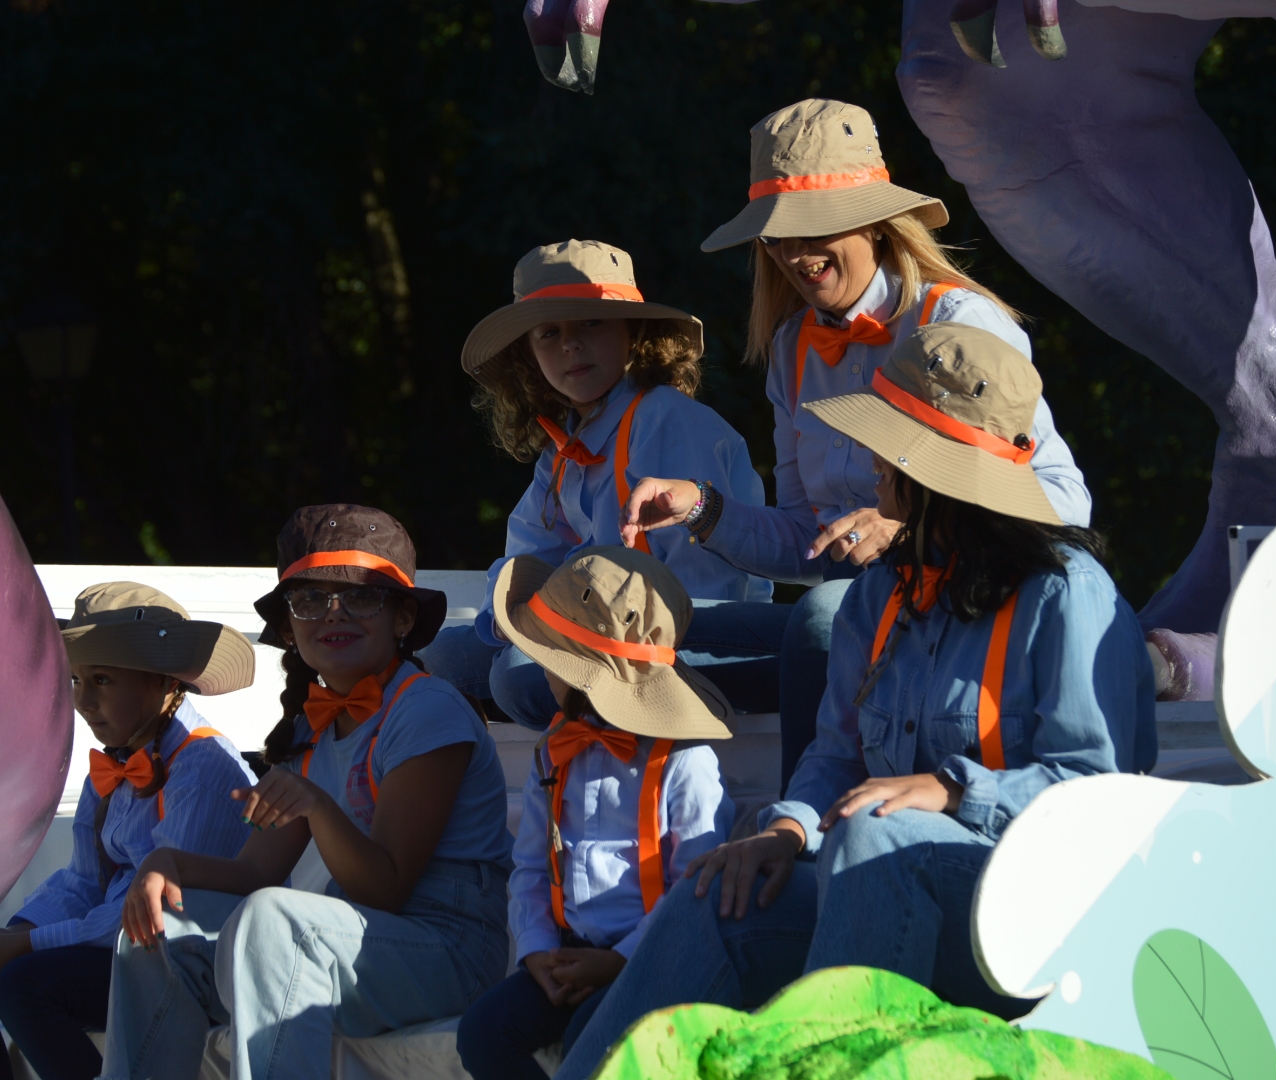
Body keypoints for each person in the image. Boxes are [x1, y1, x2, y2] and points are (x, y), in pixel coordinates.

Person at [556, 323, 1155, 1080]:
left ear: (931, 474)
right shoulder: (877, 596)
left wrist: (950, 790)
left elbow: (1097, 798)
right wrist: (784, 829)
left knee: (876, 833)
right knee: (717, 890)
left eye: (889, 447)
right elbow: (836, 755)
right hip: (884, 888)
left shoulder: (1069, 595)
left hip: (1044, 917)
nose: (870, 463)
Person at [620, 99, 1092, 789]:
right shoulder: (790, 349)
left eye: (818, 227)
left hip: (964, 602)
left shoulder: (958, 320)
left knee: (816, 622)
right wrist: (703, 509)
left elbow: (1065, 501)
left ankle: (799, 833)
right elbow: (810, 540)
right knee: (627, 620)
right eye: (777, 235)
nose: (794, 253)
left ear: (877, 220)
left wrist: (915, 527)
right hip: (857, 610)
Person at [99, 505, 513, 1080]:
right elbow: (253, 874)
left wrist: (316, 806)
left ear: (401, 618)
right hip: (349, 946)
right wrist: (163, 863)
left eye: (361, 597)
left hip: (449, 952)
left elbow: (387, 888)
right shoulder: (307, 730)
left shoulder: (428, 708)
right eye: (310, 601)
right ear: (290, 629)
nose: (334, 613)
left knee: (272, 921)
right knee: (159, 929)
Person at [418, 238, 784, 730]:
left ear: (634, 333)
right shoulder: (565, 446)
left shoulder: (668, 421)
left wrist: (575, 643)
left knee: (517, 678)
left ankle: (607, 713)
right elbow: (528, 558)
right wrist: (511, 623)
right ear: (528, 355)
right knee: (439, 654)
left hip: (691, 626)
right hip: (591, 625)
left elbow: (702, 583)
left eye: (591, 323)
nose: (570, 344)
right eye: (549, 333)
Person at [0, 582, 257, 1080]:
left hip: (179, 961)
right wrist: (14, 935)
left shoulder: (204, 768)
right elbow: (82, 882)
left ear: (162, 683)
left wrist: (30, 947)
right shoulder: (110, 768)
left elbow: (159, 912)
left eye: (101, 680)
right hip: (118, 945)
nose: (83, 701)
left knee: (24, 985)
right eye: (77, 681)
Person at [456, 547, 736, 1080]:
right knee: (483, 1032)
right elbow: (533, 869)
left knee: (592, 1033)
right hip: (566, 955)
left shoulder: (685, 760)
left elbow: (697, 887)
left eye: (549, 662)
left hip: (654, 959)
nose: (543, 675)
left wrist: (620, 960)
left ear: (583, 674)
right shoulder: (553, 751)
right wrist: (538, 952)